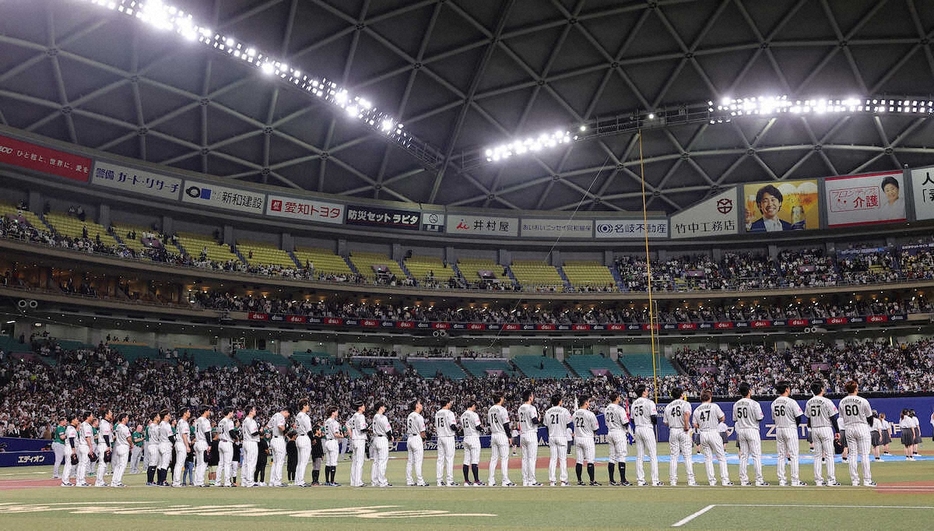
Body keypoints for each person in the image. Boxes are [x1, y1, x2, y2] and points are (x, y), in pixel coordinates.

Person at [838, 380, 875, 486]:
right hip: (861, 426)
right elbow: (870, 417)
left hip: (849, 427)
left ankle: (855, 480)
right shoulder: (863, 400)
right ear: (855, 389)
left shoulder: (842, 401)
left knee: (852, 455)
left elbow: (841, 417)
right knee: (864, 455)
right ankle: (867, 480)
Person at [693, 390, 733, 486]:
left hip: (703, 433)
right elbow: (722, 418)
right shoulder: (714, 406)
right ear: (710, 398)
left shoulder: (697, 410)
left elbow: (694, 424)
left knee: (708, 458)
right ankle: (725, 480)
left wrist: (702, 426)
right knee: (721, 456)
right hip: (713, 431)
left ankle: (711, 481)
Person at [805, 380, 841, 486]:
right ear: (821, 389)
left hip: (815, 428)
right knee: (829, 455)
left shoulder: (809, 402)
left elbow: (808, 419)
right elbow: (833, 418)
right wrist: (837, 431)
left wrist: (812, 428)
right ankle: (831, 480)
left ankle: (818, 480)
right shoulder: (827, 401)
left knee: (817, 456)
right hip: (825, 428)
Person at [771, 381, 805, 486]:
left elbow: (773, 418)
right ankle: (795, 480)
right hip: (790, 428)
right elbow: (798, 417)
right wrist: (795, 425)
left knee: (781, 455)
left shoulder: (774, 402)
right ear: (786, 389)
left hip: (779, 428)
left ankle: (782, 480)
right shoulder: (791, 402)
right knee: (794, 455)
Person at [733, 382, 767, 486]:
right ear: (749, 391)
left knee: (743, 456)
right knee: (756, 456)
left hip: (741, 430)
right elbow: (760, 417)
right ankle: (759, 480)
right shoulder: (754, 403)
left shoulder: (736, 404)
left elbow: (735, 419)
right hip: (752, 429)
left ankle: (744, 480)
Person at [663, 387, 695, 487]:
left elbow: (665, 422)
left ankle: (673, 481)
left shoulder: (668, 406)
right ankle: (691, 480)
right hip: (683, 429)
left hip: (673, 430)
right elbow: (686, 414)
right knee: (687, 456)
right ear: (681, 394)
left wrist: (673, 425)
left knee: (673, 456)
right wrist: (686, 425)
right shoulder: (685, 403)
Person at [631, 384, 661, 486]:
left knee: (639, 456)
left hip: (638, 428)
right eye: (646, 390)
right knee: (653, 454)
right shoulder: (649, 402)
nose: (648, 391)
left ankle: (640, 480)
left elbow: (631, 419)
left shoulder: (634, 403)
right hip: (647, 427)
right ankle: (655, 481)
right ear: (643, 391)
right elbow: (654, 418)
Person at [604, 391, 631, 486]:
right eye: (619, 397)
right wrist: (629, 420)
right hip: (619, 432)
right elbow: (625, 423)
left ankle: (611, 480)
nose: (620, 398)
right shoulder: (620, 409)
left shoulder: (606, 409)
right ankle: (623, 480)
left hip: (610, 432)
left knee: (612, 457)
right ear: (617, 398)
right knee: (622, 455)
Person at [487, 393, 515, 487]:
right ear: (500, 398)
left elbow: (488, 424)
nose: (503, 399)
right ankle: (505, 480)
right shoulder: (502, 409)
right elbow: (506, 425)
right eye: (502, 397)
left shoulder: (490, 409)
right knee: (504, 458)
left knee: (493, 458)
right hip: (501, 435)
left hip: (493, 435)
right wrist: (509, 436)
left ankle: (491, 480)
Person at [544, 393, 572, 487]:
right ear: (560, 401)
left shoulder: (548, 411)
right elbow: (569, 424)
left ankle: (552, 481)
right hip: (561, 436)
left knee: (553, 459)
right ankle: (563, 481)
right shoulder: (564, 411)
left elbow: (546, 426)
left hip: (552, 436)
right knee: (563, 459)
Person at [572, 395, 600, 486]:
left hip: (578, 438)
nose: (589, 403)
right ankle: (592, 481)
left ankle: (579, 481)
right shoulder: (590, 414)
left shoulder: (575, 414)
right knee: (590, 461)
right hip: (587, 438)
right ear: (586, 403)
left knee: (579, 461)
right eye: (588, 401)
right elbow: (596, 428)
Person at [517, 390, 541, 486]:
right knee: (531, 458)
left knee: (524, 458)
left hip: (522, 434)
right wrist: (539, 419)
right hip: (531, 433)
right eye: (532, 395)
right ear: (530, 397)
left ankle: (525, 480)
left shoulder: (520, 408)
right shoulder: (531, 408)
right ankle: (532, 481)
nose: (533, 397)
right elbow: (535, 421)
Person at [435, 398, 458, 487]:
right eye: (450, 402)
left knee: (440, 459)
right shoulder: (449, 413)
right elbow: (452, 426)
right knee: (449, 459)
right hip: (448, 437)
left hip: (440, 437)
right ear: (447, 403)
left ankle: (439, 481)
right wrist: (458, 431)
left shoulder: (437, 413)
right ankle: (450, 481)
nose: (451, 404)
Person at [405, 399, 428, 487]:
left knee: (410, 461)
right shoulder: (419, 417)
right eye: (419, 404)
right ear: (416, 406)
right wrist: (424, 439)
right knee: (418, 461)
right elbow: (422, 432)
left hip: (410, 438)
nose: (421, 405)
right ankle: (420, 481)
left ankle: (409, 480)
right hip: (416, 438)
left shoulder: (410, 415)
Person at [460, 399, 482, 486]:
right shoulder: (474, 414)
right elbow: (477, 427)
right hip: (474, 437)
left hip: (466, 438)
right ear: (472, 405)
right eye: (475, 406)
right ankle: (476, 481)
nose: (475, 407)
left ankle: (466, 481)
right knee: (475, 460)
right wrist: (482, 429)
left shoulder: (462, 415)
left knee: (466, 460)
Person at [370, 401, 392, 487]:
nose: (385, 408)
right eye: (383, 406)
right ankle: (382, 482)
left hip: (375, 439)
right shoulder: (383, 417)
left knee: (376, 462)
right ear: (380, 407)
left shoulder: (375, 417)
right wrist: (390, 437)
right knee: (382, 461)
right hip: (382, 439)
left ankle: (374, 481)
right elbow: (387, 430)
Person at [268, 406, 290, 487]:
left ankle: (272, 481)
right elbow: (280, 426)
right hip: (279, 440)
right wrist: (286, 429)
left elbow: (268, 426)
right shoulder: (281, 416)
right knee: (280, 462)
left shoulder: (275, 415)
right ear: (286, 412)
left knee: (275, 462)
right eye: (288, 414)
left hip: (273, 439)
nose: (287, 416)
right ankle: (278, 482)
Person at [348, 402, 368, 487]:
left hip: (354, 439)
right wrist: (368, 429)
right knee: (360, 461)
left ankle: (353, 481)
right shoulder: (361, 416)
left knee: (354, 462)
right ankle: (358, 482)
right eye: (363, 406)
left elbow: (347, 425)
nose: (364, 407)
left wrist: (351, 434)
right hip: (360, 439)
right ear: (359, 407)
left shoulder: (353, 416)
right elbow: (363, 429)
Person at [192, 407, 212, 487]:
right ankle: (200, 482)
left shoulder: (197, 420)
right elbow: (207, 433)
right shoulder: (205, 421)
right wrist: (209, 444)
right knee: (203, 463)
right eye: (208, 410)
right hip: (203, 443)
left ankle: (196, 481)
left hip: (197, 442)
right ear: (205, 411)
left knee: (199, 464)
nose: (209, 412)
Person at [240, 405, 260, 487]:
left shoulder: (245, 420)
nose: (255, 411)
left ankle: (244, 481)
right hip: (251, 442)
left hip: (245, 442)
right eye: (254, 410)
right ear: (250, 411)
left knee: (245, 462)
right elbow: (254, 433)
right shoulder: (251, 421)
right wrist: (261, 431)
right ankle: (250, 481)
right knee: (251, 462)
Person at [294, 399, 312, 487]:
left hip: (298, 437)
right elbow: (309, 430)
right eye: (307, 405)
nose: (308, 406)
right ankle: (300, 481)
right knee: (303, 462)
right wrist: (313, 439)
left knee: (300, 461)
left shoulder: (298, 415)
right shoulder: (305, 416)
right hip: (304, 438)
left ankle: (297, 480)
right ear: (304, 406)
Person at [323, 406, 343, 486]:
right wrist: (342, 436)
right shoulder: (334, 422)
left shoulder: (326, 421)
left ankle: (327, 481)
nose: (337, 413)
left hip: (327, 441)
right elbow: (336, 434)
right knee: (333, 462)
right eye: (336, 411)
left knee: (328, 462)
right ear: (333, 412)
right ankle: (332, 482)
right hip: (333, 441)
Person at [110, 412, 131, 487]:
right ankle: (118, 482)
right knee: (122, 465)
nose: (128, 419)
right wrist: (131, 444)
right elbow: (128, 438)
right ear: (123, 419)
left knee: (117, 465)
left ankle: (113, 481)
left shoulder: (118, 426)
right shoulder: (125, 427)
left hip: (118, 446)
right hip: (124, 446)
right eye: (127, 417)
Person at [172, 408, 191, 487]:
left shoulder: (180, 421)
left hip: (178, 443)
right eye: (188, 412)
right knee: (180, 463)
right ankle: (176, 482)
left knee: (178, 463)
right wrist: (187, 446)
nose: (189, 413)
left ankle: (176, 481)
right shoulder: (184, 422)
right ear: (184, 413)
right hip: (181, 443)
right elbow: (184, 435)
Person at [76, 411, 96, 487]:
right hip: (85, 446)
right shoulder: (87, 425)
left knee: (81, 464)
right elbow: (87, 437)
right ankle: (82, 481)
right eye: (91, 416)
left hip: (81, 445)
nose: (92, 417)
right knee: (84, 464)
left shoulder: (82, 425)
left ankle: (78, 481)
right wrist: (91, 447)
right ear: (87, 417)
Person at [95, 407, 113, 487]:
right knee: (102, 464)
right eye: (110, 412)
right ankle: (99, 482)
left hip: (103, 444)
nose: (111, 414)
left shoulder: (104, 422)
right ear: (106, 415)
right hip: (104, 444)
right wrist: (108, 446)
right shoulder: (105, 423)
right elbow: (106, 436)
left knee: (103, 464)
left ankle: (99, 481)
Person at [216, 408, 235, 487]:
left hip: (220, 442)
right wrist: (236, 438)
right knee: (227, 463)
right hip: (227, 443)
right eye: (232, 412)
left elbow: (218, 432)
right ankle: (227, 482)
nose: (233, 414)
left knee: (221, 463)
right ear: (229, 413)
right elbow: (231, 432)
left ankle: (217, 482)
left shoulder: (220, 421)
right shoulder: (229, 421)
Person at [61, 413, 79, 487]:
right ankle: (65, 481)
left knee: (68, 465)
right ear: (73, 420)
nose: (77, 420)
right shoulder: (71, 429)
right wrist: (73, 450)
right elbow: (71, 439)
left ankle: (65, 480)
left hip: (68, 447)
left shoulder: (69, 428)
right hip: (70, 448)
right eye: (76, 419)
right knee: (68, 465)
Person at [156, 409, 173, 487]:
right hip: (166, 444)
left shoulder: (160, 424)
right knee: (165, 464)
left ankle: (159, 481)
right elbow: (170, 437)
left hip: (160, 444)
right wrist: (174, 443)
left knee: (160, 464)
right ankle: (163, 481)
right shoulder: (166, 424)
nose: (170, 416)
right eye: (169, 414)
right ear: (166, 416)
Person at [145, 411, 161, 486]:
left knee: (153, 463)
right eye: (158, 416)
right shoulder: (156, 427)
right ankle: (150, 481)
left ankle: (150, 481)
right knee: (153, 463)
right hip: (155, 445)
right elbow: (159, 437)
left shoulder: (150, 426)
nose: (159, 417)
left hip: (151, 444)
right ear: (155, 418)